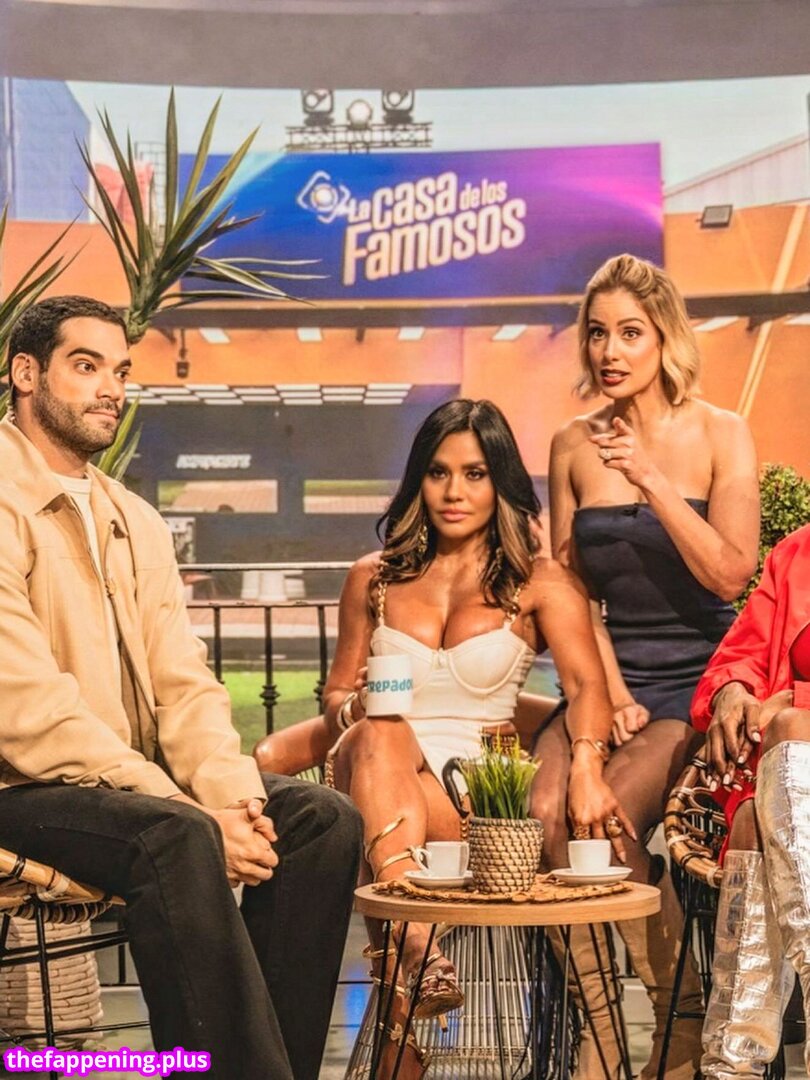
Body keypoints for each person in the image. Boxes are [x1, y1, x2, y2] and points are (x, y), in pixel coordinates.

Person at [0, 295, 362, 1080]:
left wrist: (235, 801)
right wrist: (186, 807)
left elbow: (184, 681)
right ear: (26, 373)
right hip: (22, 786)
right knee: (176, 835)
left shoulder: (133, 517)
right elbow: (24, 707)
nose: (110, 388)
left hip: (130, 787)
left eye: (120, 371)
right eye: (86, 365)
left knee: (320, 820)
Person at [323, 398, 632, 1072]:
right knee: (378, 735)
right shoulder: (371, 579)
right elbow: (336, 695)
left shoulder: (540, 583)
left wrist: (586, 765)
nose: (453, 492)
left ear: (500, 483)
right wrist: (360, 708)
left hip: (470, 801)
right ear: (419, 480)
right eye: (438, 473)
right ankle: (418, 949)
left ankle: (410, 951)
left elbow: (588, 687)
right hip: (380, 777)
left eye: (474, 473)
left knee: (378, 816)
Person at [531, 253, 760, 1078]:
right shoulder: (570, 443)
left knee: (605, 823)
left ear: (664, 337)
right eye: (597, 334)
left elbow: (731, 574)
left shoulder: (721, 432)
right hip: (607, 679)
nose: (610, 351)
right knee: (541, 814)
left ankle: (677, 1023)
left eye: (630, 332)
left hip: (697, 680)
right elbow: (569, 590)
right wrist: (609, 692)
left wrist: (651, 478)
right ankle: (601, 1042)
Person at [692, 524, 810, 1077]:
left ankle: (730, 1067)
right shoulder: (798, 552)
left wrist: (793, 700)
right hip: (795, 789)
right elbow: (738, 656)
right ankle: (731, 1067)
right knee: (750, 818)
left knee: (789, 727)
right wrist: (733, 691)